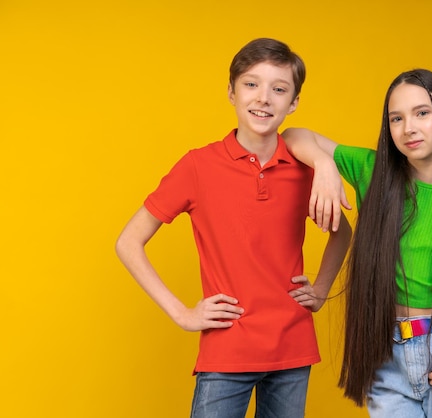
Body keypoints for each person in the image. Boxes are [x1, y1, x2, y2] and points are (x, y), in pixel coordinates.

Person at [115, 38, 351, 418]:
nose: (263, 98)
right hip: (227, 349)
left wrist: (321, 289)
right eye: (251, 84)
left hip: (292, 347)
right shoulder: (197, 166)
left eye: (279, 89)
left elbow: (342, 231)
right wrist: (182, 313)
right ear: (231, 91)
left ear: (293, 103)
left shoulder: (304, 169)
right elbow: (129, 241)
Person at [282, 68, 432, 417]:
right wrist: (324, 166)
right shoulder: (371, 170)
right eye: (396, 118)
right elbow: (294, 134)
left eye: (422, 113)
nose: (408, 128)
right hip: (384, 346)